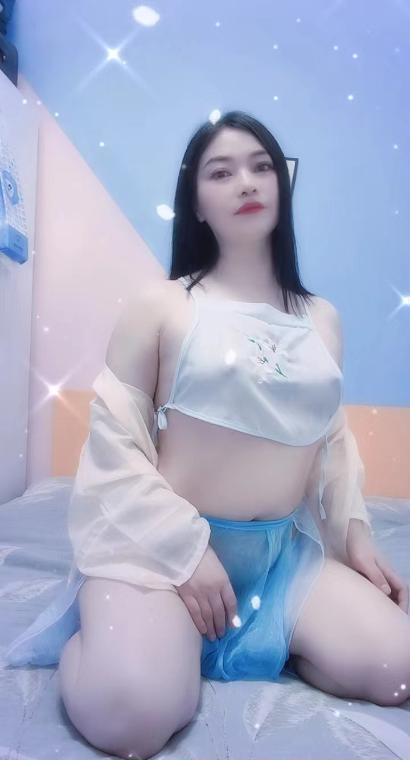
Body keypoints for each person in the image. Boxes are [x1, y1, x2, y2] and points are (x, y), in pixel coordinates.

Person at [5, 111, 410, 760]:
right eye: (221, 173)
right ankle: (110, 631)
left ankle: (260, 639)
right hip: (166, 555)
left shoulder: (323, 319)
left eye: (261, 166)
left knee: (398, 670)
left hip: (280, 560)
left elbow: (331, 443)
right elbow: (114, 446)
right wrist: (184, 549)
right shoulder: (162, 305)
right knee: (131, 720)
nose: (246, 182)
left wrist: (354, 533)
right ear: (195, 202)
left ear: (281, 183)